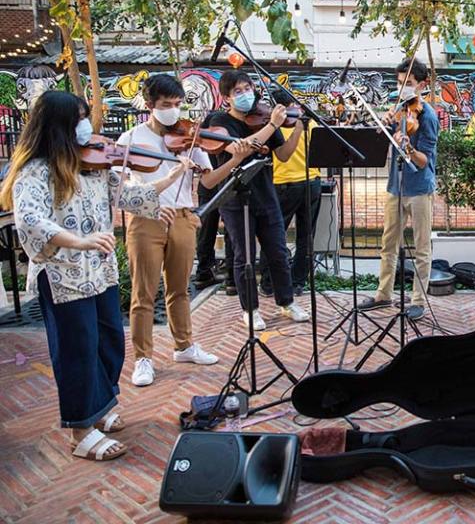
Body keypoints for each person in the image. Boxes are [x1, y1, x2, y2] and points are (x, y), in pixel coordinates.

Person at [0, 90, 193, 460]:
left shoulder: (91, 165)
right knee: (77, 349)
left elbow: (130, 194)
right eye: (79, 118)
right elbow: (31, 221)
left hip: (100, 270)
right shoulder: (35, 170)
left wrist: (171, 177)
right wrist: (82, 241)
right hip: (63, 274)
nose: (87, 125)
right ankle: (79, 430)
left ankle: (99, 408)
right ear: (58, 126)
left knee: (107, 340)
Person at [118, 75, 248, 387]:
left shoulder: (189, 137)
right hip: (145, 219)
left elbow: (207, 180)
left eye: (178, 105)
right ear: (149, 106)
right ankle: (143, 358)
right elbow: (122, 187)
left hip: (181, 216)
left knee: (179, 289)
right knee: (144, 293)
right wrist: (149, 202)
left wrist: (237, 159)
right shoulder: (131, 139)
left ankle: (184, 346)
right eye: (166, 106)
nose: (174, 112)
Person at [203, 70, 309, 330]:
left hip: (266, 194)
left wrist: (296, 129)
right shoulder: (218, 122)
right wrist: (272, 124)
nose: (245, 95)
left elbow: (282, 154)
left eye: (248, 88)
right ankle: (250, 309)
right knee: (244, 256)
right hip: (236, 198)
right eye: (238, 91)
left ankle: (286, 302)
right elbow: (239, 146)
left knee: (278, 251)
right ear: (226, 97)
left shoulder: (261, 117)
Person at [357, 58, 439, 321]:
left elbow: (425, 160)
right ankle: (384, 294)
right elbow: (381, 140)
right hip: (395, 185)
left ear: (422, 85)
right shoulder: (399, 109)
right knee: (388, 242)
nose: (402, 87)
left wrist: (409, 149)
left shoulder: (427, 116)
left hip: (419, 187)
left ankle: (417, 301)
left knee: (421, 247)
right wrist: (386, 125)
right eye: (399, 82)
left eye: (408, 83)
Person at [259, 109, 323, 297]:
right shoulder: (309, 123)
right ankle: (297, 282)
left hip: (283, 184)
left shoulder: (273, 125)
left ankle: (269, 283)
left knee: (272, 235)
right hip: (311, 182)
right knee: (306, 236)